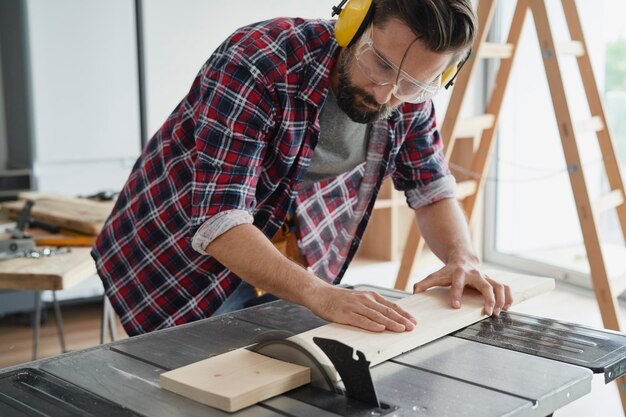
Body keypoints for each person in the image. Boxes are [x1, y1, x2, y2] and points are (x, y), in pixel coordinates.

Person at [92, 0, 513, 337]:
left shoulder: (409, 96)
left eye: (413, 83)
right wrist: (321, 295)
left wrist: (463, 258)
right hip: (172, 254)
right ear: (352, 23)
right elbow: (219, 220)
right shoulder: (257, 61)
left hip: (280, 249)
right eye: (380, 65)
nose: (387, 94)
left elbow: (431, 188)